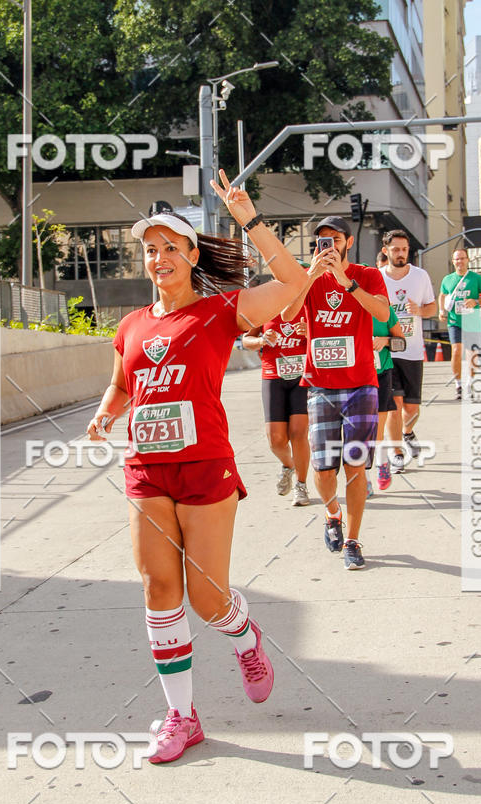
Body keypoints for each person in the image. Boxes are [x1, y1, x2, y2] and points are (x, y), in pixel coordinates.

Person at [86, 171, 307, 764]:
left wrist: (250, 220)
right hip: (146, 470)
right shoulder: (131, 325)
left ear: (191, 255)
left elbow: (294, 282)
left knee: (208, 600)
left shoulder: (221, 311)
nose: (158, 258)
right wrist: (107, 413)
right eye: (149, 249)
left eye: (169, 247)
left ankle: (246, 636)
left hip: (206, 466)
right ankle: (181, 717)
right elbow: (121, 384)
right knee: (159, 589)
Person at [282, 216, 390, 570]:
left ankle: (354, 541)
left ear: (348, 242)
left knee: (355, 464)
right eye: (322, 240)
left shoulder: (367, 275)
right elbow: (287, 315)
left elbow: (382, 312)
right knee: (324, 469)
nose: (327, 245)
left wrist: (347, 283)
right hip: (320, 386)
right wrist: (310, 277)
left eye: (334, 239)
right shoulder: (308, 275)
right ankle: (332, 514)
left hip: (361, 384)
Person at [379, 230, 436, 473]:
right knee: (394, 405)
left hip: (412, 351)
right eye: (396, 250)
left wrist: (419, 311)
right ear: (386, 251)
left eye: (404, 249)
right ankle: (397, 453)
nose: (401, 254)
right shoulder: (377, 278)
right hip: (388, 352)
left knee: (411, 408)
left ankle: (408, 432)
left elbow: (432, 307)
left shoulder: (420, 276)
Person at [242, 311, 310, 505]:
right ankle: (289, 465)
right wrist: (262, 340)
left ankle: (301, 485)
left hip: (302, 376)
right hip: (273, 376)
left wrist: (309, 332)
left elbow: (324, 335)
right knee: (276, 440)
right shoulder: (268, 308)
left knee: (298, 433)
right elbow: (246, 340)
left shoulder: (306, 304)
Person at [438, 249, 481, 400]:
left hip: (472, 320)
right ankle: (458, 384)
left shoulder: (476, 278)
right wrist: (441, 310)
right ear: (453, 261)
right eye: (457, 259)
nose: (460, 262)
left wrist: (476, 301)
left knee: (472, 353)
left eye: (462, 258)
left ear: (468, 260)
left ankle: (471, 382)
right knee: (456, 350)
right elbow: (442, 295)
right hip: (454, 321)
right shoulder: (448, 279)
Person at [371, 307, 405, 492]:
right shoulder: (346, 308)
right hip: (353, 376)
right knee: (357, 428)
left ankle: (381, 462)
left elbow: (401, 343)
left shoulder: (384, 310)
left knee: (378, 424)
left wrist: (385, 341)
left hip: (381, 372)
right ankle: (362, 478)